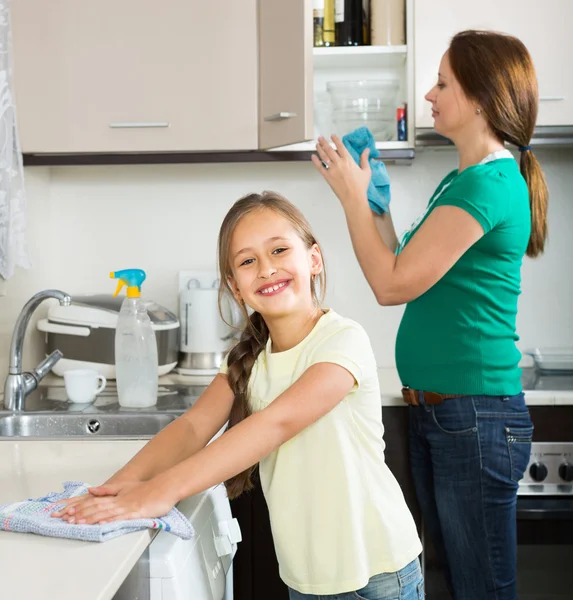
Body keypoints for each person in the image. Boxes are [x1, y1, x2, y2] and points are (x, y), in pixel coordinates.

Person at [53, 191, 423, 600]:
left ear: (313, 260)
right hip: (305, 579)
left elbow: (275, 424)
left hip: (378, 574)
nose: (266, 269)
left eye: (279, 250)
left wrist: (162, 490)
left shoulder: (341, 340)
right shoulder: (248, 360)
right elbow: (192, 428)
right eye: (248, 261)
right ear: (235, 286)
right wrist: (120, 487)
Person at [312, 29, 548, 600]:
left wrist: (348, 199)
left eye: (442, 82)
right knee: (454, 585)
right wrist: (378, 205)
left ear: (481, 98)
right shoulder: (464, 179)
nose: (429, 95)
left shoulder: (489, 185)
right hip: (448, 415)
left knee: (480, 590)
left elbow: (391, 286)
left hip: (473, 417)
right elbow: (403, 263)